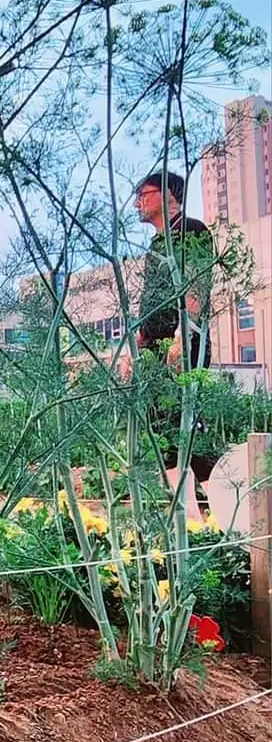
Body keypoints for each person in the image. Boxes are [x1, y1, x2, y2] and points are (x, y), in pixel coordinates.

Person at [127, 168, 217, 499]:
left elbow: (196, 286)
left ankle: (209, 498)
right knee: (163, 425)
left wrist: (183, 335)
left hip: (181, 343)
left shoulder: (191, 230)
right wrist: (136, 346)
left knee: (183, 422)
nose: (137, 203)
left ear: (167, 196)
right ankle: (186, 505)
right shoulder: (157, 243)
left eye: (143, 195)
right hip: (155, 347)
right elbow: (151, 302)